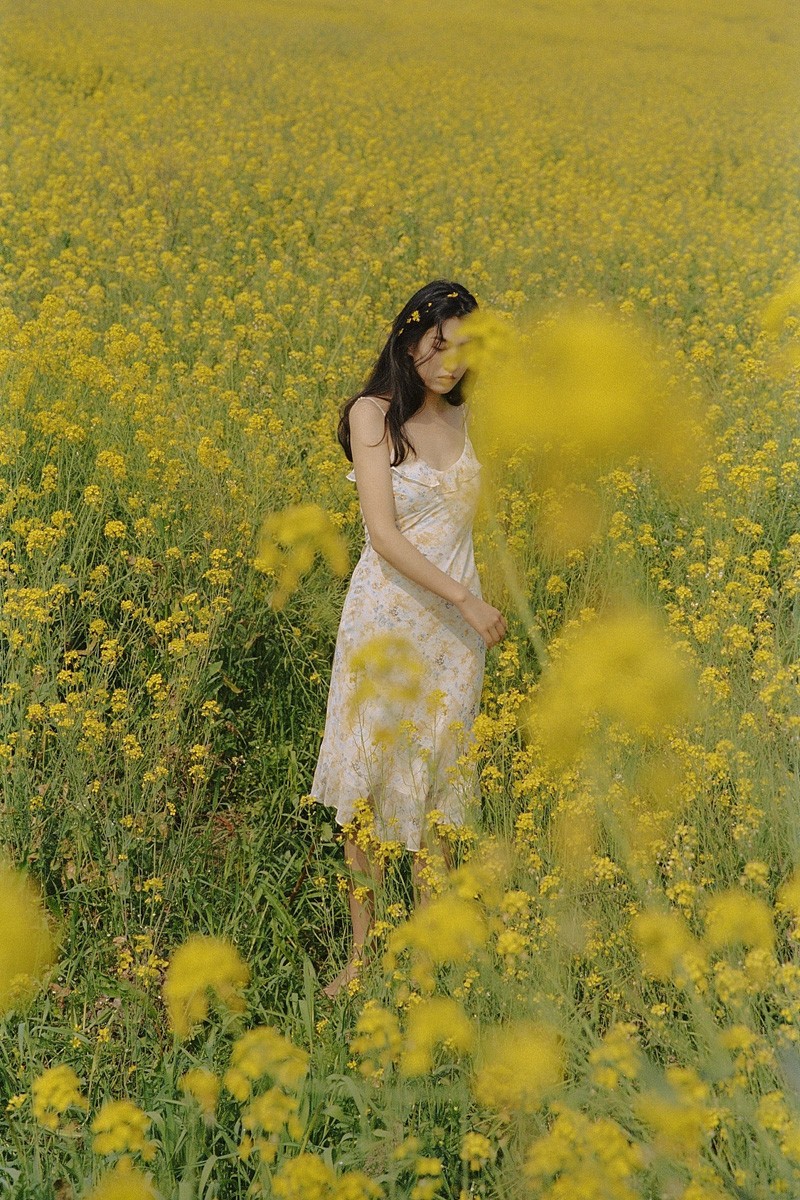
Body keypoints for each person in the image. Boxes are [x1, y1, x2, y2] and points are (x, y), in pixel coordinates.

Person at [309, 279, 507, 998]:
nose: (450, 362)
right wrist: (467, 599)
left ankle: (424, 964)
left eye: (464, 348)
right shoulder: (373, 414)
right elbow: (384, 536)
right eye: (437, 344)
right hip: (388, 622)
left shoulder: (469, 418)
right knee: (366, 788)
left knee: (441, 790)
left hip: (456, 636)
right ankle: (361, 960)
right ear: (407, 339)